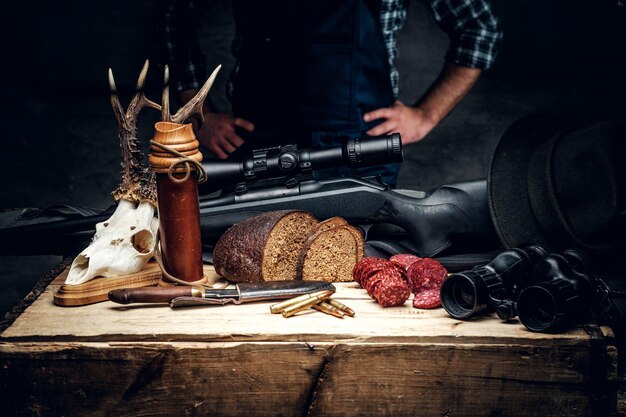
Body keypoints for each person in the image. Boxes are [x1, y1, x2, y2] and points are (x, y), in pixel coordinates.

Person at [158, 0, 502, 187]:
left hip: (360, 155)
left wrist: (427, 115)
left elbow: (479, 27)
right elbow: (177, 12)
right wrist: (196, 112)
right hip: (257, 150)